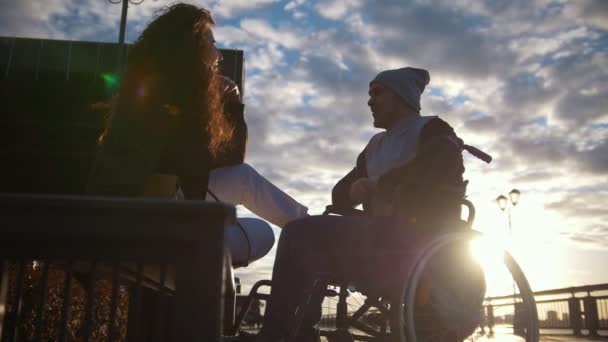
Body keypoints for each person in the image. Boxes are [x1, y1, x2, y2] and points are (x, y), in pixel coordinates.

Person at [252, 67, 484, 342]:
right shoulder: (375, 146)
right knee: (304, 237)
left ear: (401, 96)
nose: (370, 101)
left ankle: (277, 336)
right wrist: (353, 190)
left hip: (417, 244)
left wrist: (381, 183)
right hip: (379, 243)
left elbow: (439, 165)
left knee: (300, 234)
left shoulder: (433, 129)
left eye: (377, 93)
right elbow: (338, 193)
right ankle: (299, 332)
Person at [86, 3, 307, 267]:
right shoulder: (189, 92)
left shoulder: (143, 89)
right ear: (193, 49)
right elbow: (227, 158)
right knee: (256, 215)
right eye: (212, 45)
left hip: (124, 218)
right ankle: (313, 232)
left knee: (250, 223)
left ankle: (309, 229)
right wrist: (231, 103)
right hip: (160, 222)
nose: (218, 56)